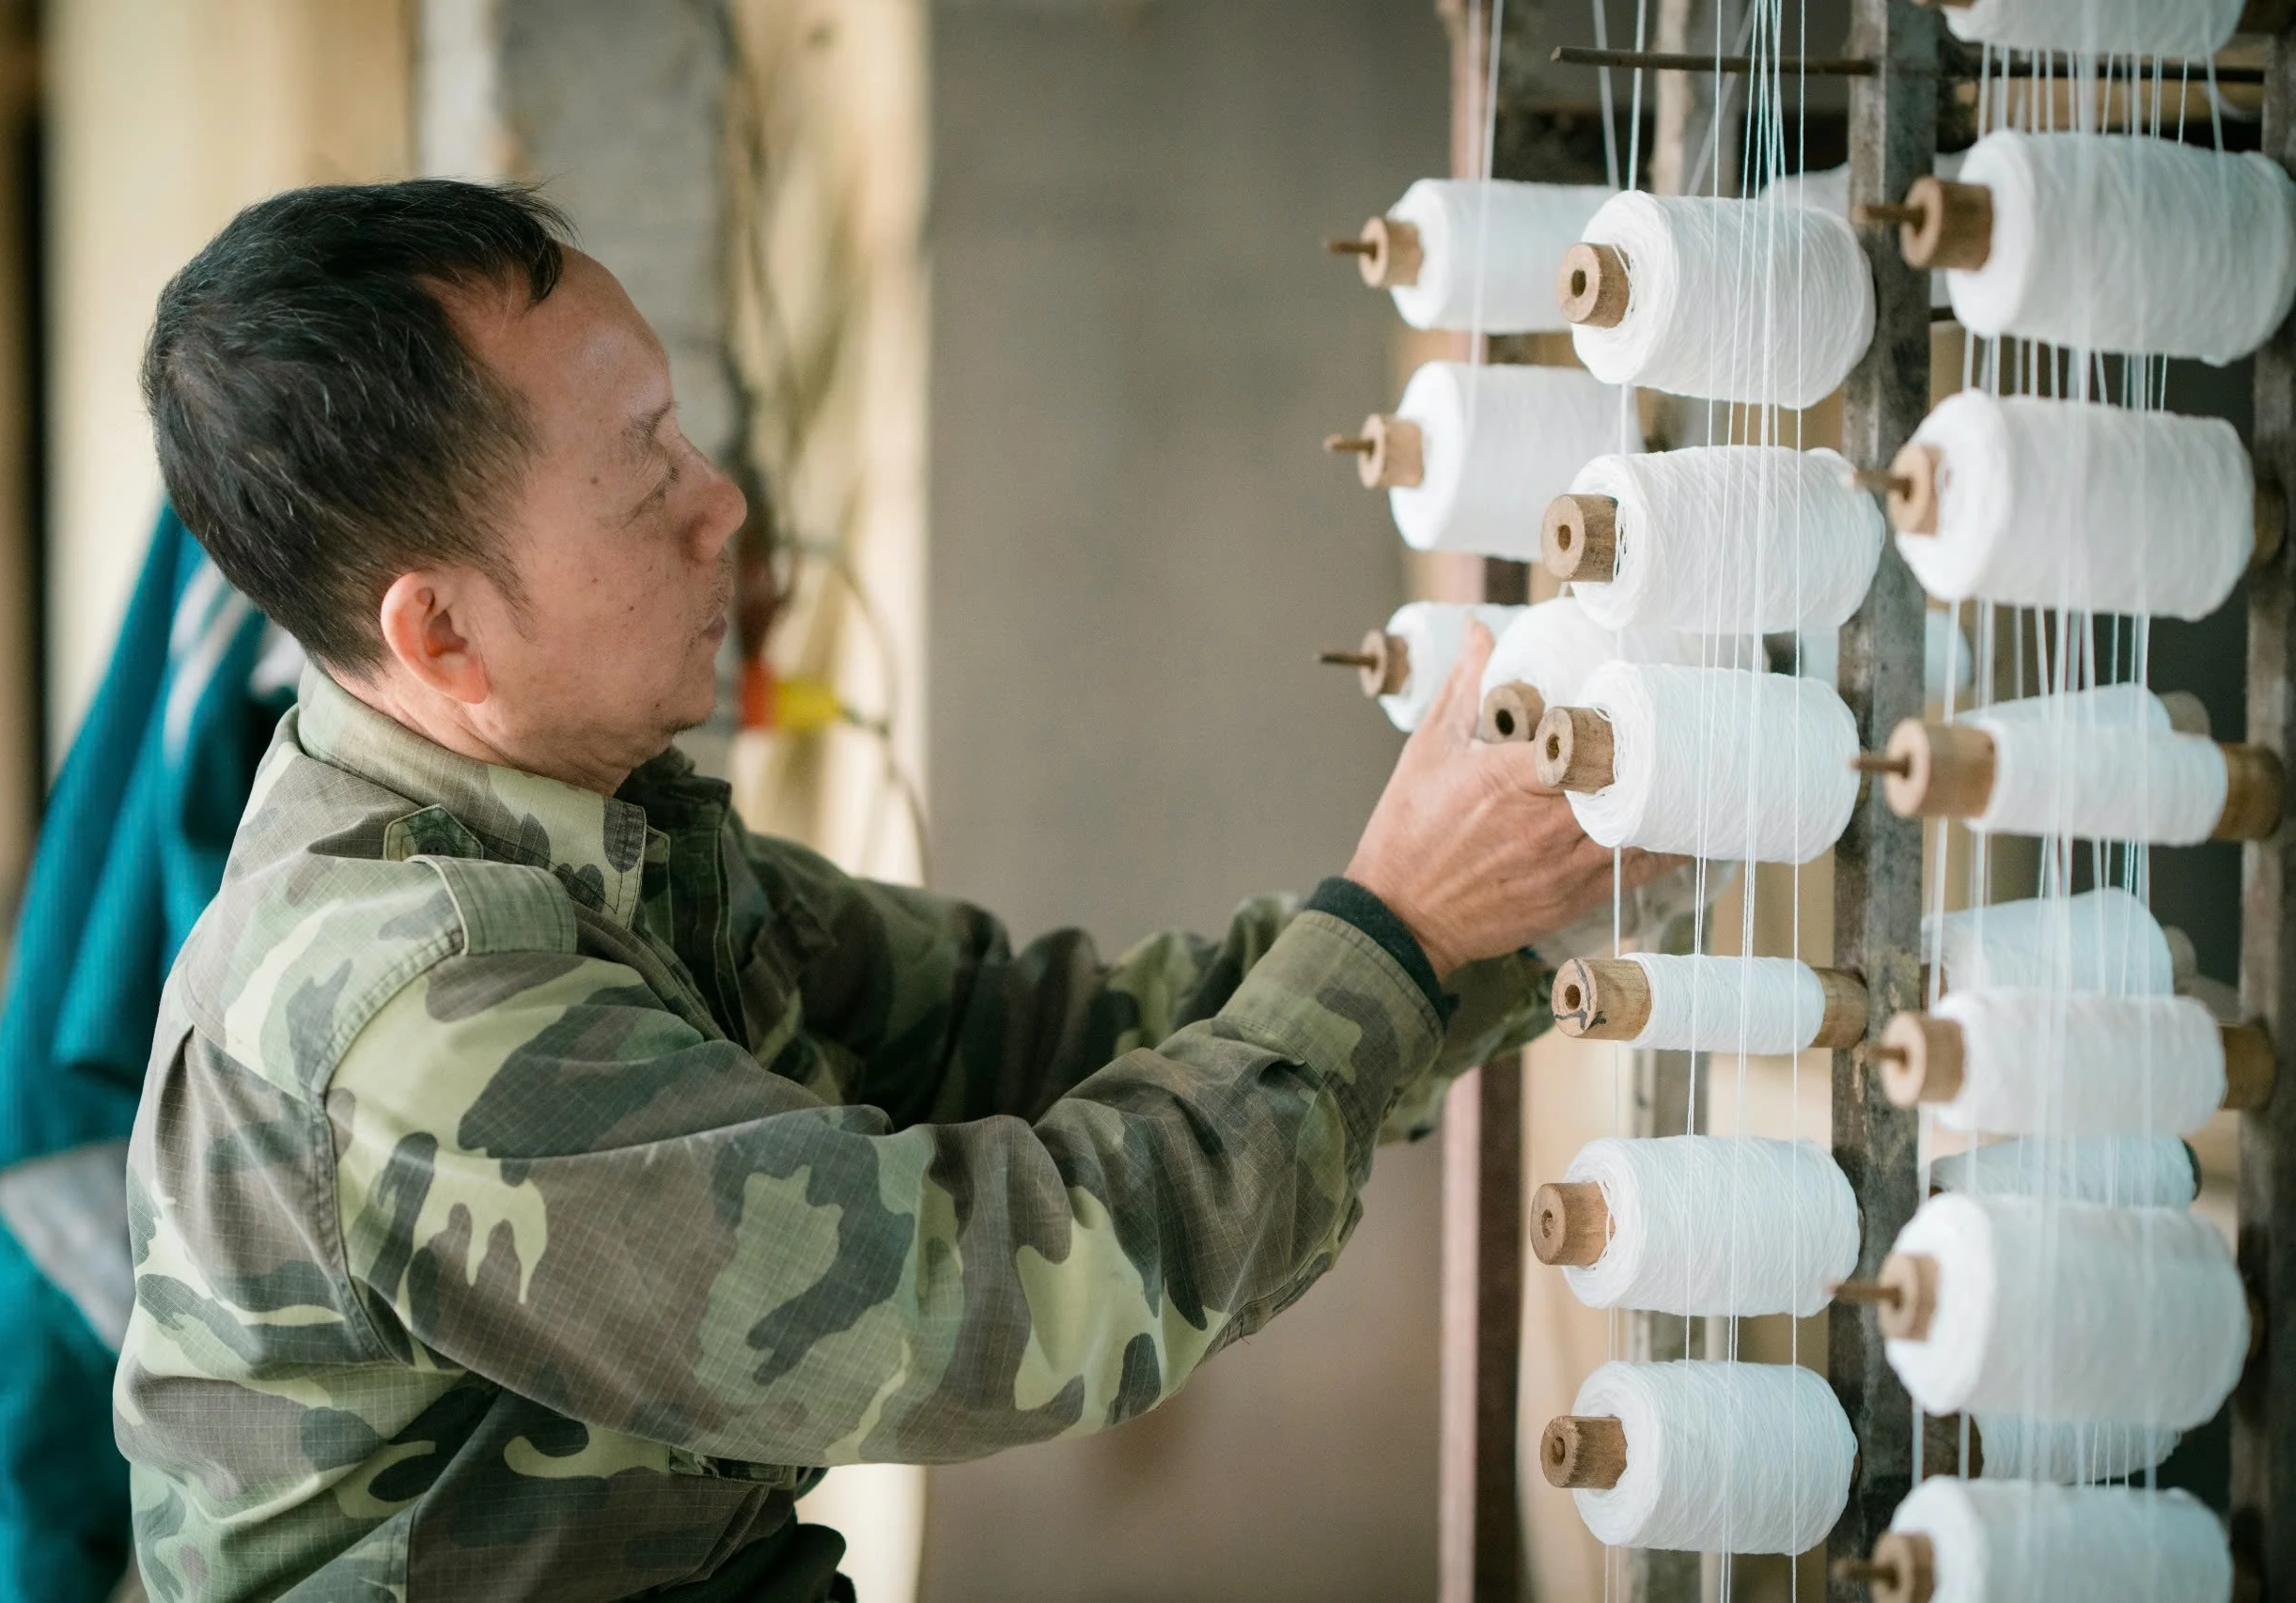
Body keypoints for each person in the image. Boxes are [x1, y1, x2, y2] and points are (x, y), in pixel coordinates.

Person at [116, 180, 1670, 1603]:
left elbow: (1044, 1030)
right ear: (439, 631)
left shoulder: (593, 829)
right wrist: (1398, 934)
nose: (718, 504)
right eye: (641, 465)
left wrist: (1522, 898)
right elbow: (989, 1299)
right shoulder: (418, 1012)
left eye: (683, 430)